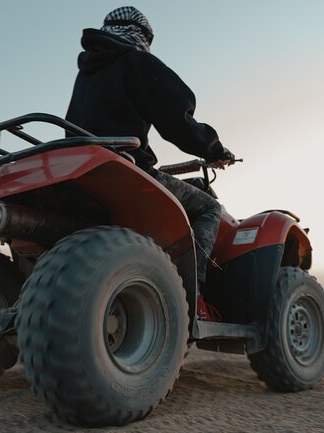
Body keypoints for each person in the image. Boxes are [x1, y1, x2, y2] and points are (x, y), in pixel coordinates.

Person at [65, 6, 235, 320]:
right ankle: (191, 296)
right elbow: (177, 120)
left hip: (79, 167)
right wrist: (214, 150)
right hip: (123, 168)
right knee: (208, 208)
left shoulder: (88, 71)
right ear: (142, 35)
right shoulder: (135, 61)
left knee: (187, 190)